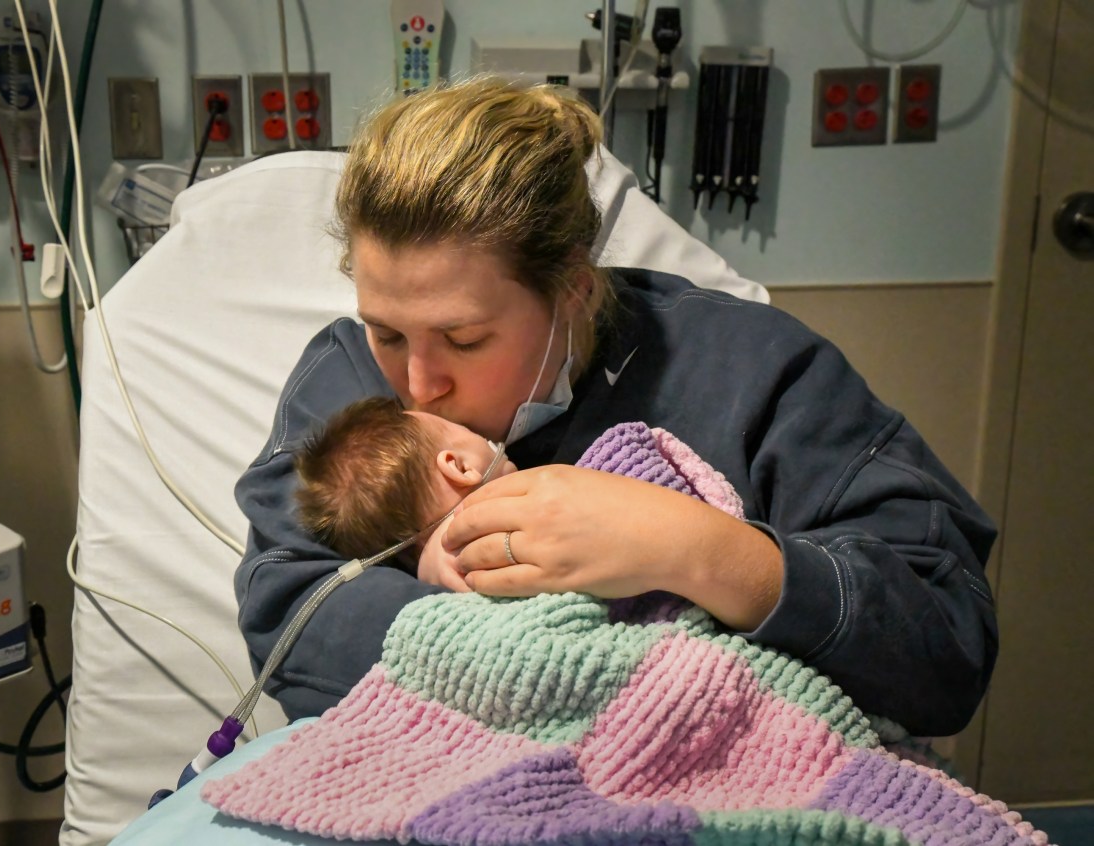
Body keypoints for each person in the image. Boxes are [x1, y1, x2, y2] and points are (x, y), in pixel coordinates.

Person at [233, 77, 998, 736]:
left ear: (573, 289)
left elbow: (947, 643)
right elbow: (287, 602)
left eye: (464, 339)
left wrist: (704, 553)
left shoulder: (756, 374)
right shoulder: (346, 382)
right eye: (388, 331)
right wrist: (457, 618)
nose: (419, 382)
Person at [292, 395, 515, 593]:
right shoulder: (507, 511)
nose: (490, 441)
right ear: (459, 467)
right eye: (472, 433)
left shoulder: (426, 579)